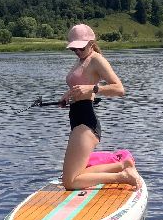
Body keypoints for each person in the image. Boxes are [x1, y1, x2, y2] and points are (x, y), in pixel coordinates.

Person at [60, 23, 141, 191]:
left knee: (70, 182)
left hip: (85, 122)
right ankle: (121, 166)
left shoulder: (96, 59)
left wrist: (93, 89)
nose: (77, 52)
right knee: (78, 173)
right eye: (73, 49)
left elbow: (119, 89)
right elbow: (80, 86)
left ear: (90, 43)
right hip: (77, 119)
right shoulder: (81, 60)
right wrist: (68, 95)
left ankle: (124, 177)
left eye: (80, 48)